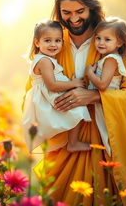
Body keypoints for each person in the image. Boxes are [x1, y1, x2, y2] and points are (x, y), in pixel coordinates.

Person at [23, 0, 126, 206]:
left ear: (92, 7)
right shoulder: (51, 44)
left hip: (102, 145)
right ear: (58, 11)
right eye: (66, 12)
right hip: (64, 145)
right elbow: (32, 93)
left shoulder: (110, 41)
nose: (74, 19)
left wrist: (95, 96)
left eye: (80, 11)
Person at [22, 19, 92, 152]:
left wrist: (70, 84)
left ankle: (72, 142)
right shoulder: (44, 61)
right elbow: (52, 86)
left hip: (48, 95)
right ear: (37, 42)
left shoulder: (44, 59)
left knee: (76, 106)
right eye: (47, 40)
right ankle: (73, 142)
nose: (53, 45)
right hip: (49, 97)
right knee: (77, 106)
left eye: (57, 40)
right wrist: (74, 83)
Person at [85, 17, 126, 157]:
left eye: (107, 39)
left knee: (107, 136)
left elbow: (102, 85)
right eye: (98, 38)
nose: (101, 43)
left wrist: (89, 73)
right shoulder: (107, 58)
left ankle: (114, 166)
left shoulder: (111, 60)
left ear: (119, 42)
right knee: (104, 134)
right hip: (103, 104)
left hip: (106, 105)